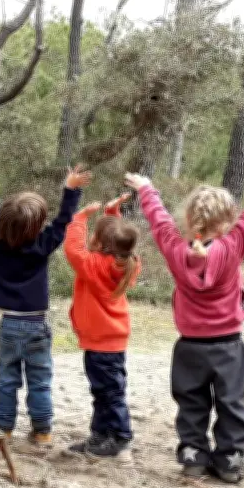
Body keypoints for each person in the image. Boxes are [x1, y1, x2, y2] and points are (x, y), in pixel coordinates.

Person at [126, 152, 244, 483]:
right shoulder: (232, 248)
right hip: (228, 346)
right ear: (226, 223)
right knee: (232, 402)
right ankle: (230, 460)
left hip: (189, 347)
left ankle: (193, 456)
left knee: (191, 401)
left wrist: (147, 189)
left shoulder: (175, 251)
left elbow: (160, 222)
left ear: (190, 221)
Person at [0, 153, 92, 444]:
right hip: (37, 325)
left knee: (7, 379)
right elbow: (63, 221)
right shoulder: (43, 244)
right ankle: (42, 431)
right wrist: (71, 189)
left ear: (4, 222)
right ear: (39, 224)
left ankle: (4, 426)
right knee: (39, 380)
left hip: (10, 326)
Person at [63, 193, 140, 460]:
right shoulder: (128, 264)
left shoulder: (93, 265)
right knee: (104, 392)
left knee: (109, 393)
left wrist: (80, 218)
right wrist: (112, 214)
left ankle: (120, 437)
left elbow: (73, 249)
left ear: (98, 242)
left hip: (101, 343)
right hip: (110, 341)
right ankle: (100, 434)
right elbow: (120, 240)